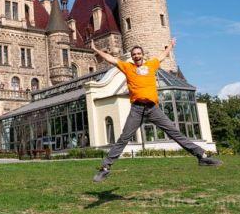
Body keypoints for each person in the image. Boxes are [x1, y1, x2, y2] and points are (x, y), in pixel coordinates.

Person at [91, 38, 222, 183]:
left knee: (174, 132)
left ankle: (201, 157)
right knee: (124, 138)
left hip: (153, 108)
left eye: (139, 53)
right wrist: (97, 50)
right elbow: (112, 59)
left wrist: (170, 46)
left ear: (142, 55)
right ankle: (105, 168)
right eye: (134, 54)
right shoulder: (128, 67)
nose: (136, 56)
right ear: (132, 56)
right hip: (137, 109)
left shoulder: (151, 64)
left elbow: (162, 55)